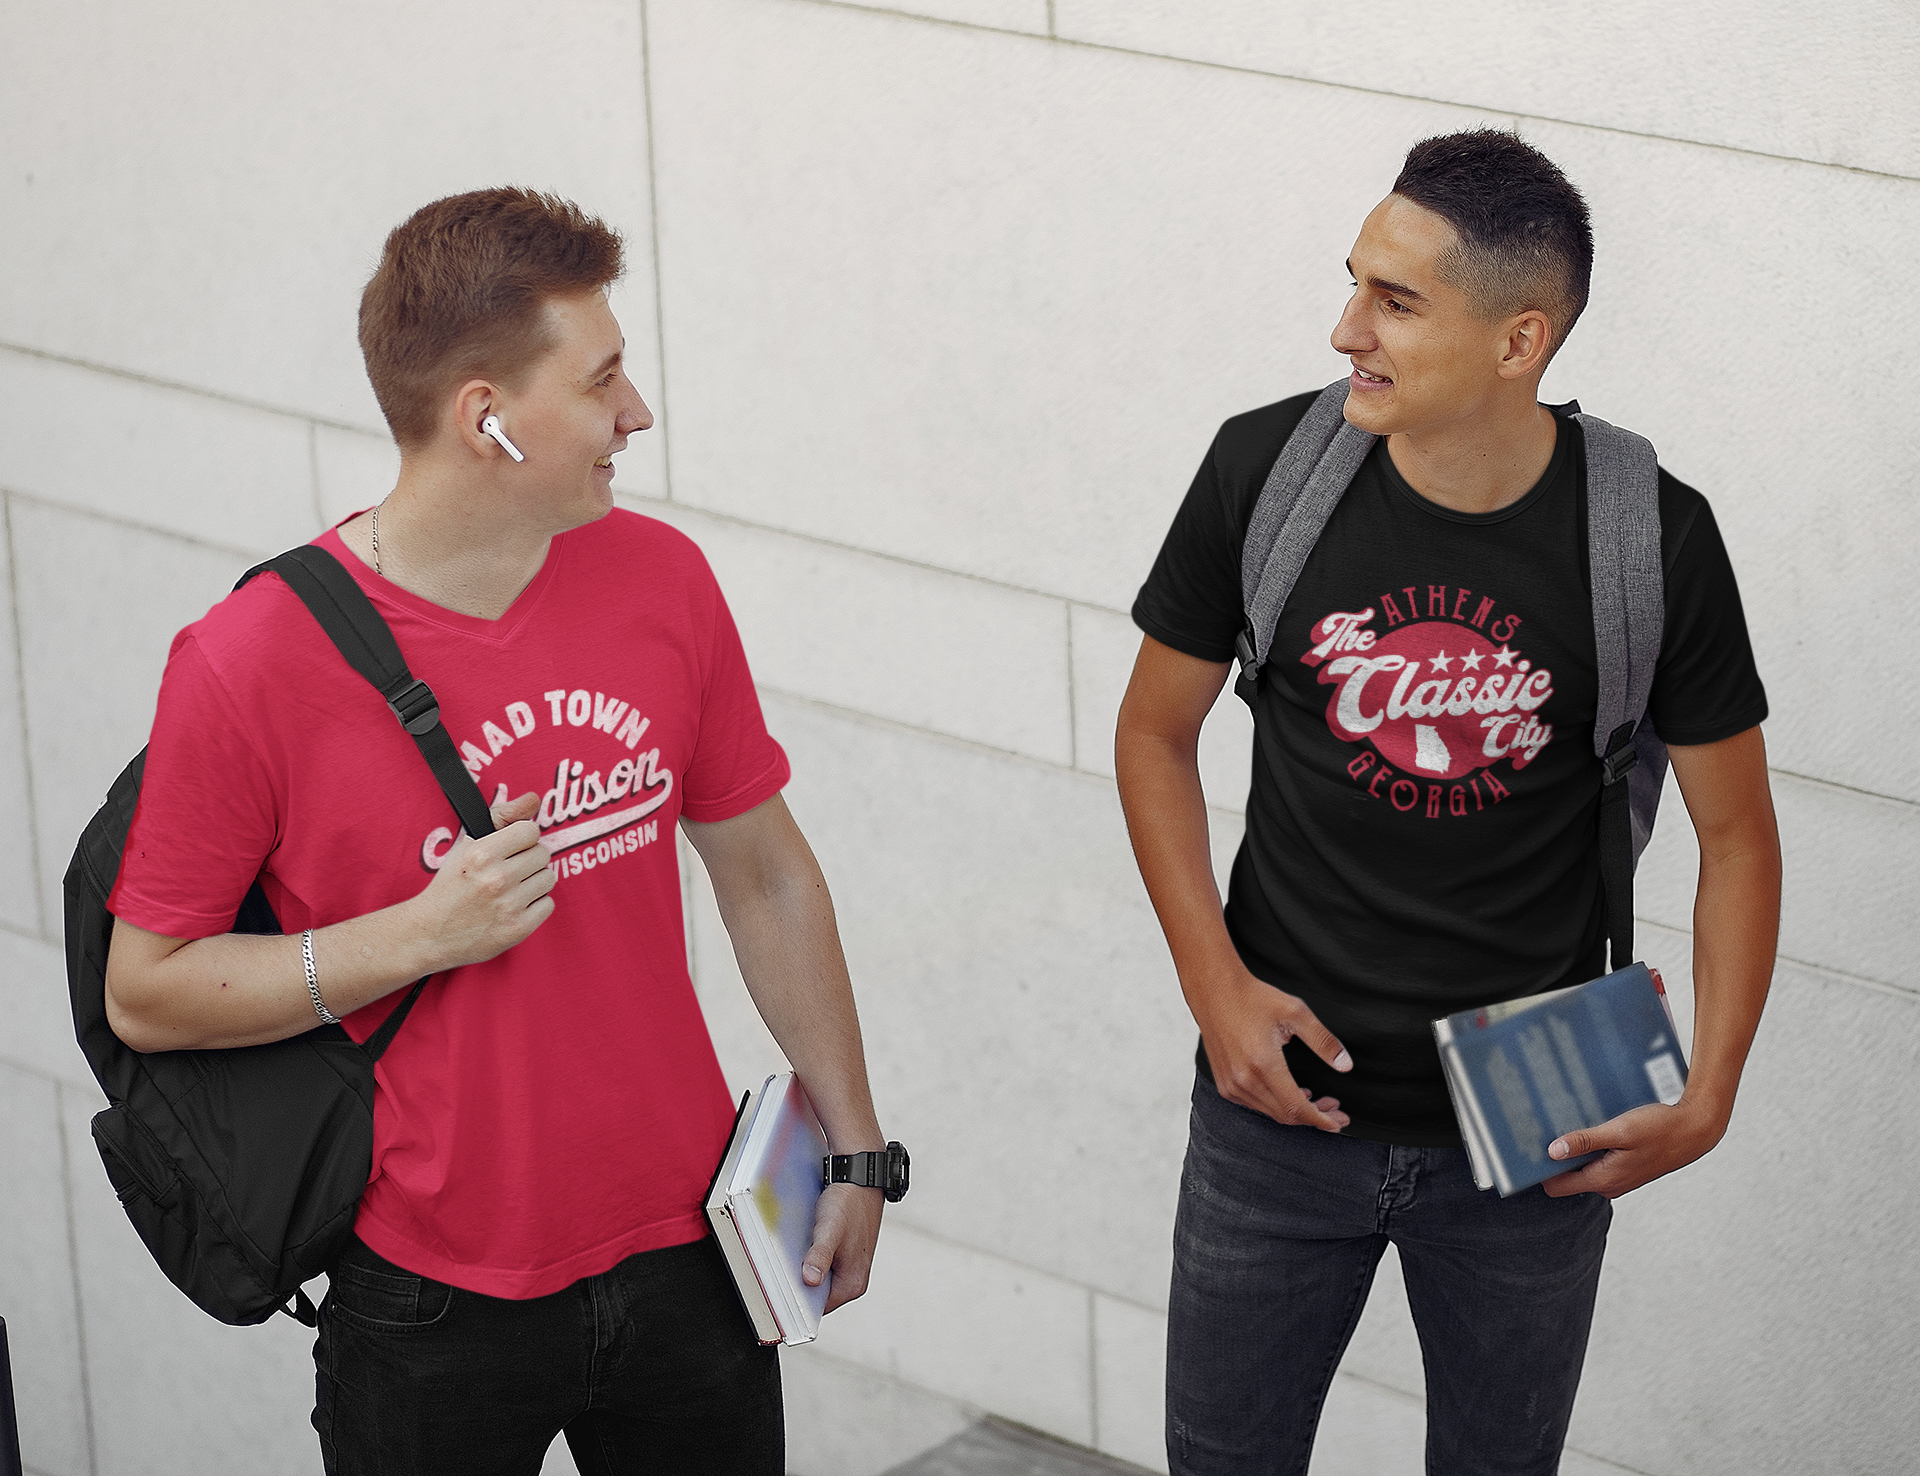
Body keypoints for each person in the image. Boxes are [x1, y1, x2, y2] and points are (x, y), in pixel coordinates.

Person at [102, 187, 888, 1476]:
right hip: (428, 1300)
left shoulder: (661, 580)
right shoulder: (249, 661)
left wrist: (857, 1144)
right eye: (603, 379)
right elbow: (149, 989)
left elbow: (766, 875)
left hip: (695, 1250)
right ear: (490, 420)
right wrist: (414, 938)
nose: (636, 413)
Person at [1115, 131, 1781, 1475]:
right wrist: (1215, 990)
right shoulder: (1265, 475)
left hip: (1538, 1129)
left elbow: (1737, 834)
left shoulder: (1653, 536)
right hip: (1279, 1110)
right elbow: (1151, 732)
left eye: (1396, 302)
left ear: (1518, 339)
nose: (1346, 327)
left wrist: (1711, 1090)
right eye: (1355, 283)